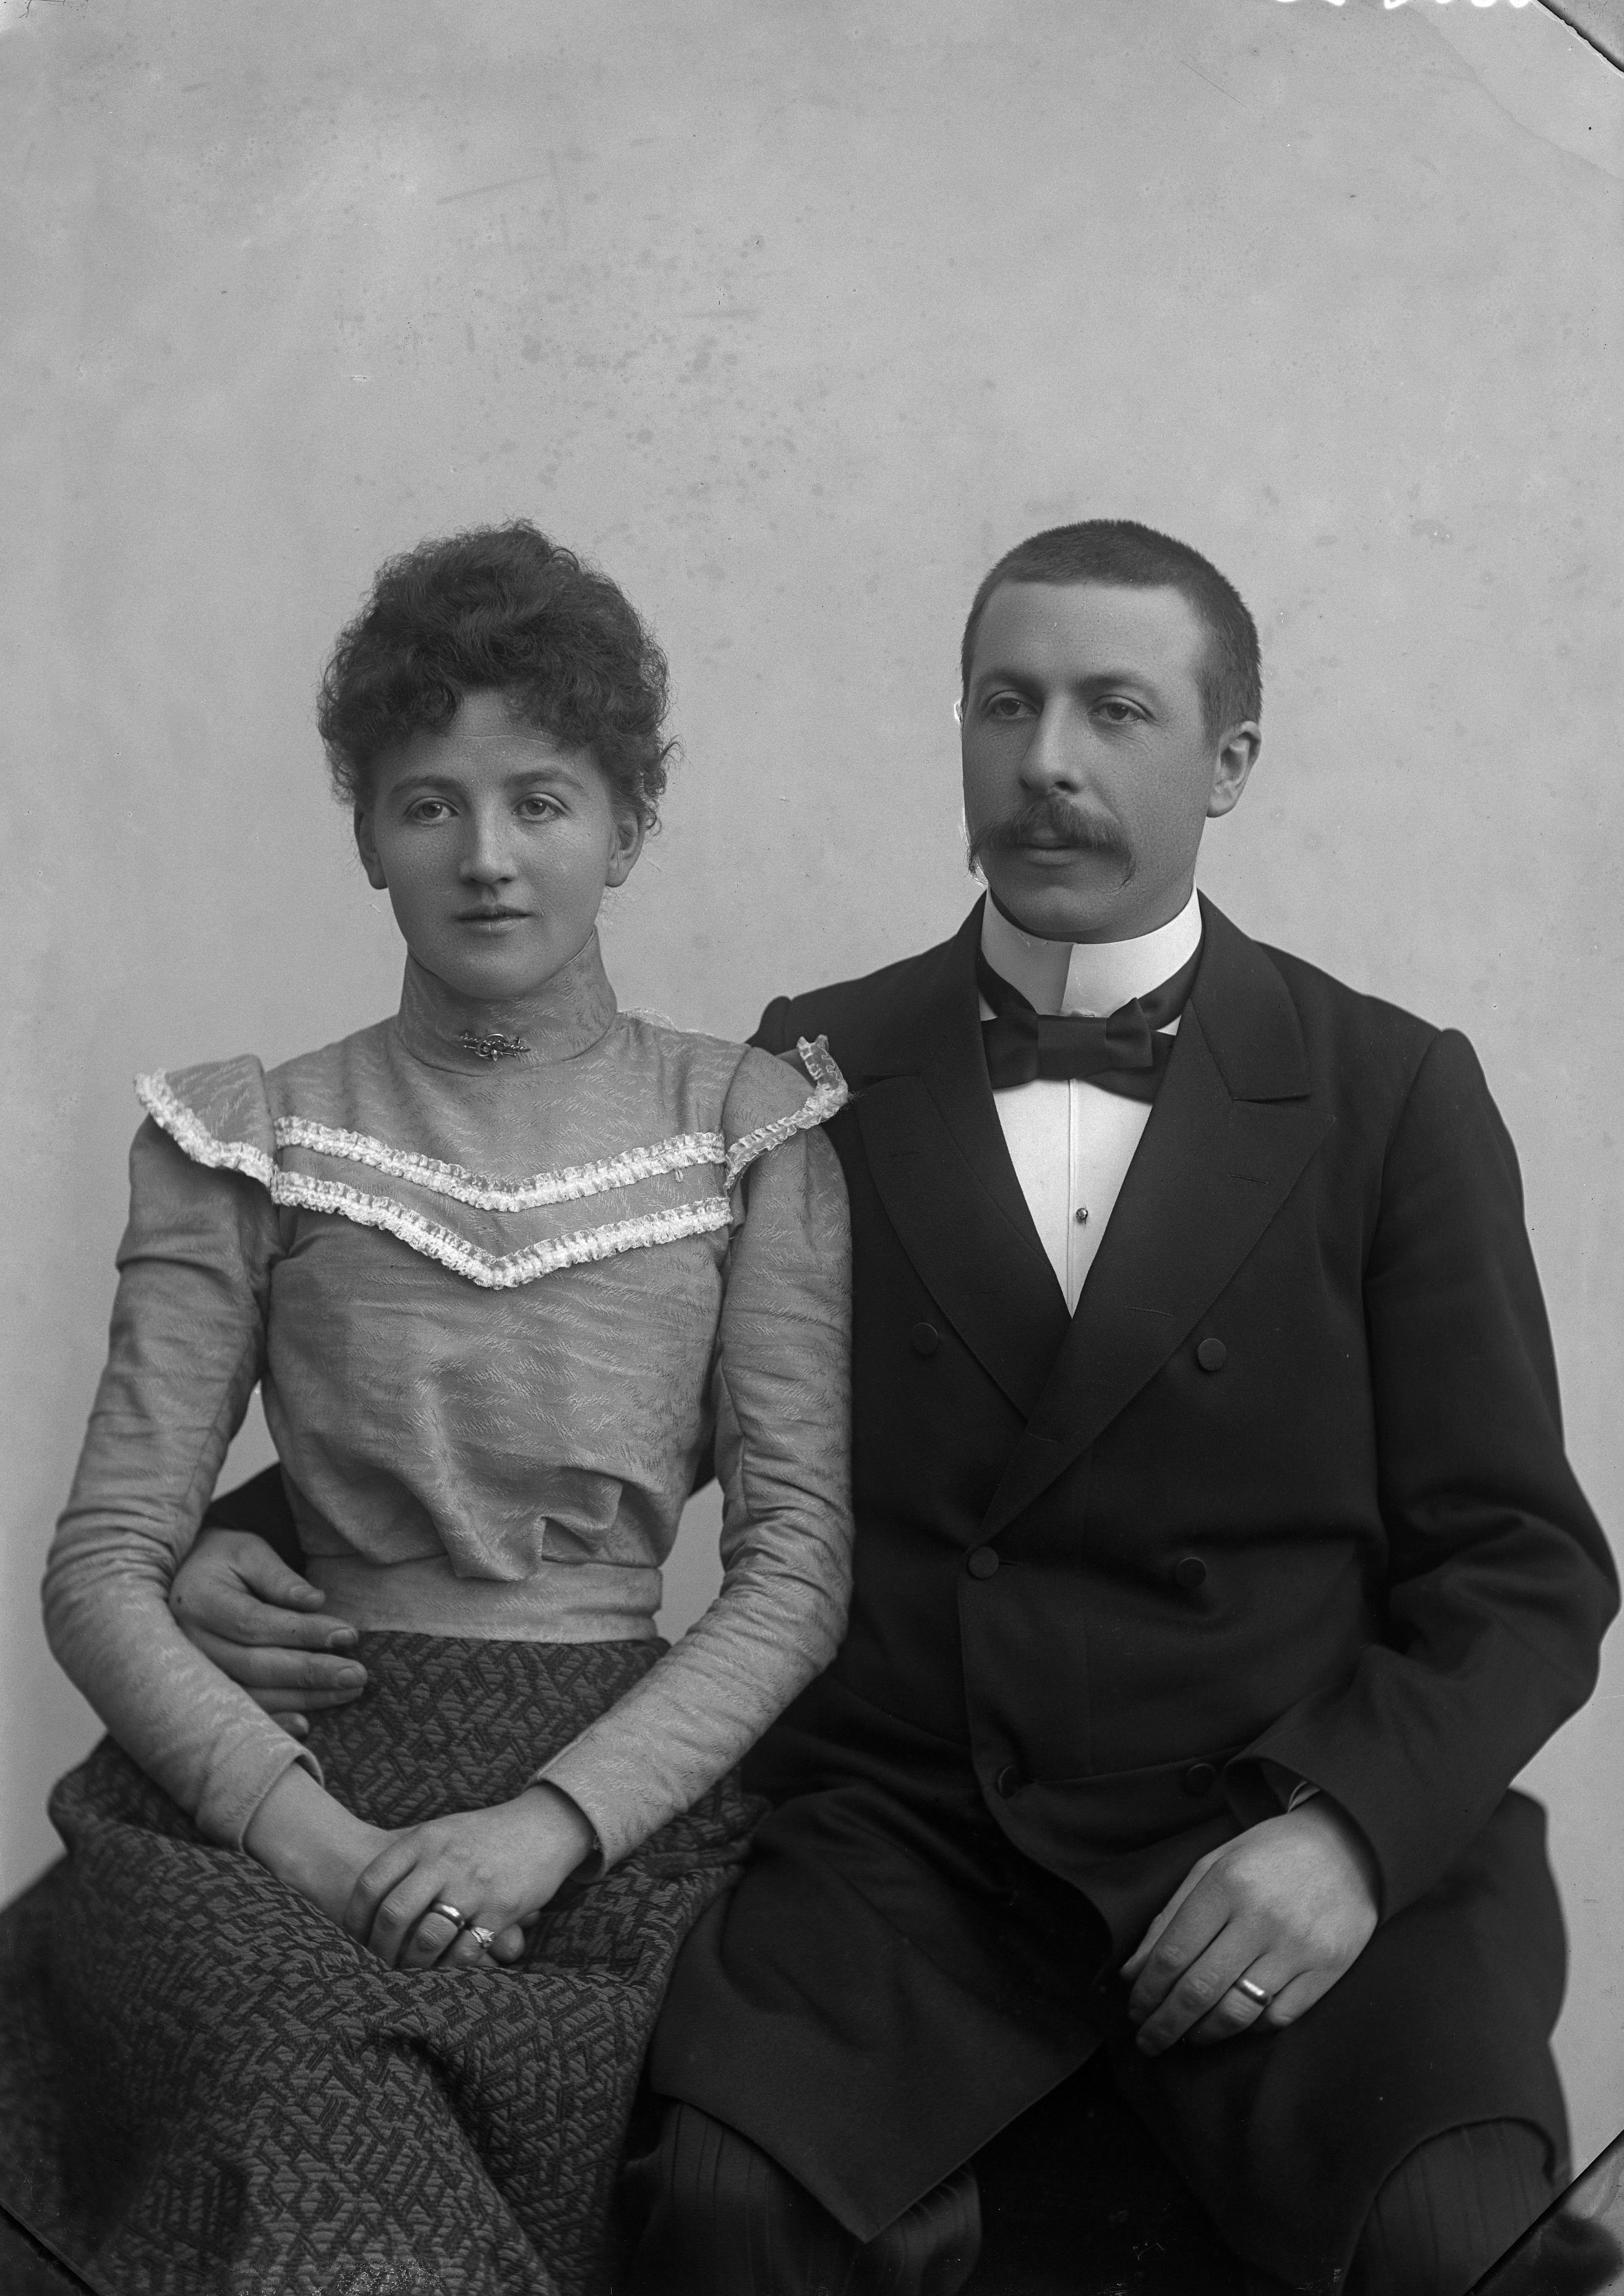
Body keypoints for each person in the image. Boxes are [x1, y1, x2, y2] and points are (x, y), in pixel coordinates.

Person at [164, 521, 1616, 2296]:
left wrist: (1346, 1836)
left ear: (1229, 760)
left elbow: (1522, 1570)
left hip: (1275, 1820)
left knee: (1459, 2246)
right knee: (727, 2215)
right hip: (919, 1859)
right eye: (1005, 705)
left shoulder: (1387, 1088)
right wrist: (247, 1537)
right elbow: (612, 1397)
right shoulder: (814, 1070)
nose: (1047, 761)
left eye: (1114, 711)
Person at [0, 523, 855, 2296]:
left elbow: (793, 1571)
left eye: (541, 801)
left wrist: (548, 1828)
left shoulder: (748, 1127)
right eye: (427, 806)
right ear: (366, 834)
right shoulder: (249, 1133)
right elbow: (102, 1566)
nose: (485, 858)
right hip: (283, 1800)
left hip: (607, 1818)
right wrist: (316, 1848)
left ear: (626, 821)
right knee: (282, 2060)